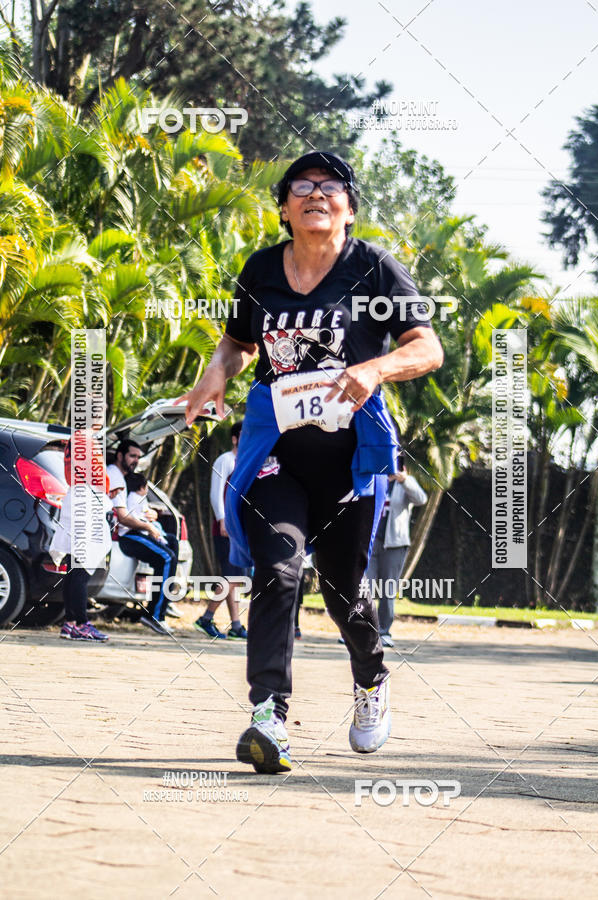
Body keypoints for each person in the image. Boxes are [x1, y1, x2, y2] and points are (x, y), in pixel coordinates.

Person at [178, 150, 443, 773]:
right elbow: (238, 344)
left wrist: (375, 368)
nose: (316, 194)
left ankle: (371, 680)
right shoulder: (262, 270)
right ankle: (269, 714)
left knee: (345, 591)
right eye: (303, 186)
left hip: (350, 459)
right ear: (284, 208)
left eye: (331, 187)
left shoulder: (373, 268)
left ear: (349, 209)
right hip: (277, 454)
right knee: (278, 567)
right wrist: (213, 376)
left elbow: (426, 347)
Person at [107, 439, 179, 635]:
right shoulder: (114, 476)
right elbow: (123, 518)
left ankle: (164, 600)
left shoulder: (126, 478)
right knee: (166, 557)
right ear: (120, 455)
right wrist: (148, 525)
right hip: (126, 535)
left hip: (135, 531)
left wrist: (151, 515)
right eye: (132, 456)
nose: (136, 461)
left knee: (171, 541)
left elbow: (137, 506)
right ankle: (155, 615)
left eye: (138, 457)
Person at [51, 433, 111, 641]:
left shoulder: (75, 439)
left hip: (77, 499)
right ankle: (82, 624)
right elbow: (93, 475)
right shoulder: (84, 439)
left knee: (73, 568)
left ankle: (70, 624)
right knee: (81, 570)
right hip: (85, 503)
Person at [365, 452, 427, 647]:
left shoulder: (404, 485)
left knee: (387, 589)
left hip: (395, 544)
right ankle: (362, 630)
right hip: (372, 542)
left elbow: (421, 499)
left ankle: (384, 631)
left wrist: (405, 480)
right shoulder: (376, 480)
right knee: (365, 587)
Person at [194, 421, 249, 640]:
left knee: (233, 578)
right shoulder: (225, 460)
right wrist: (222, 520)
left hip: (241, 529)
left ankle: (236, 625)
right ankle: (206, 617)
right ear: (235, 438)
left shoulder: (248, 461)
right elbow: (216, 493)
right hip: (226, 528)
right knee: (232, 577)